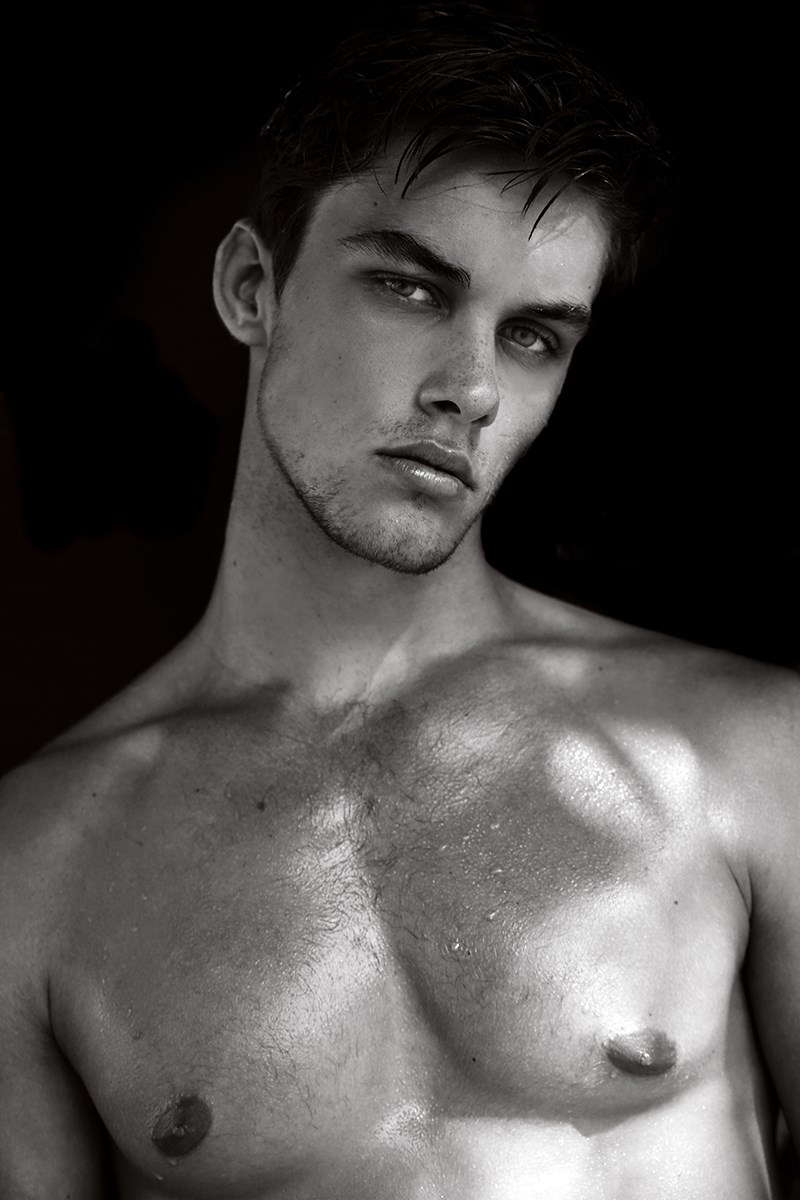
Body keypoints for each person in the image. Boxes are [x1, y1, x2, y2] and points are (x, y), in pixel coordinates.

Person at [0, 5, 797, 1197]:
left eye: (531, 337)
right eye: (411, 290)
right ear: (250, 287)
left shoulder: (741, 755)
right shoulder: (35, 869)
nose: (470, 389)